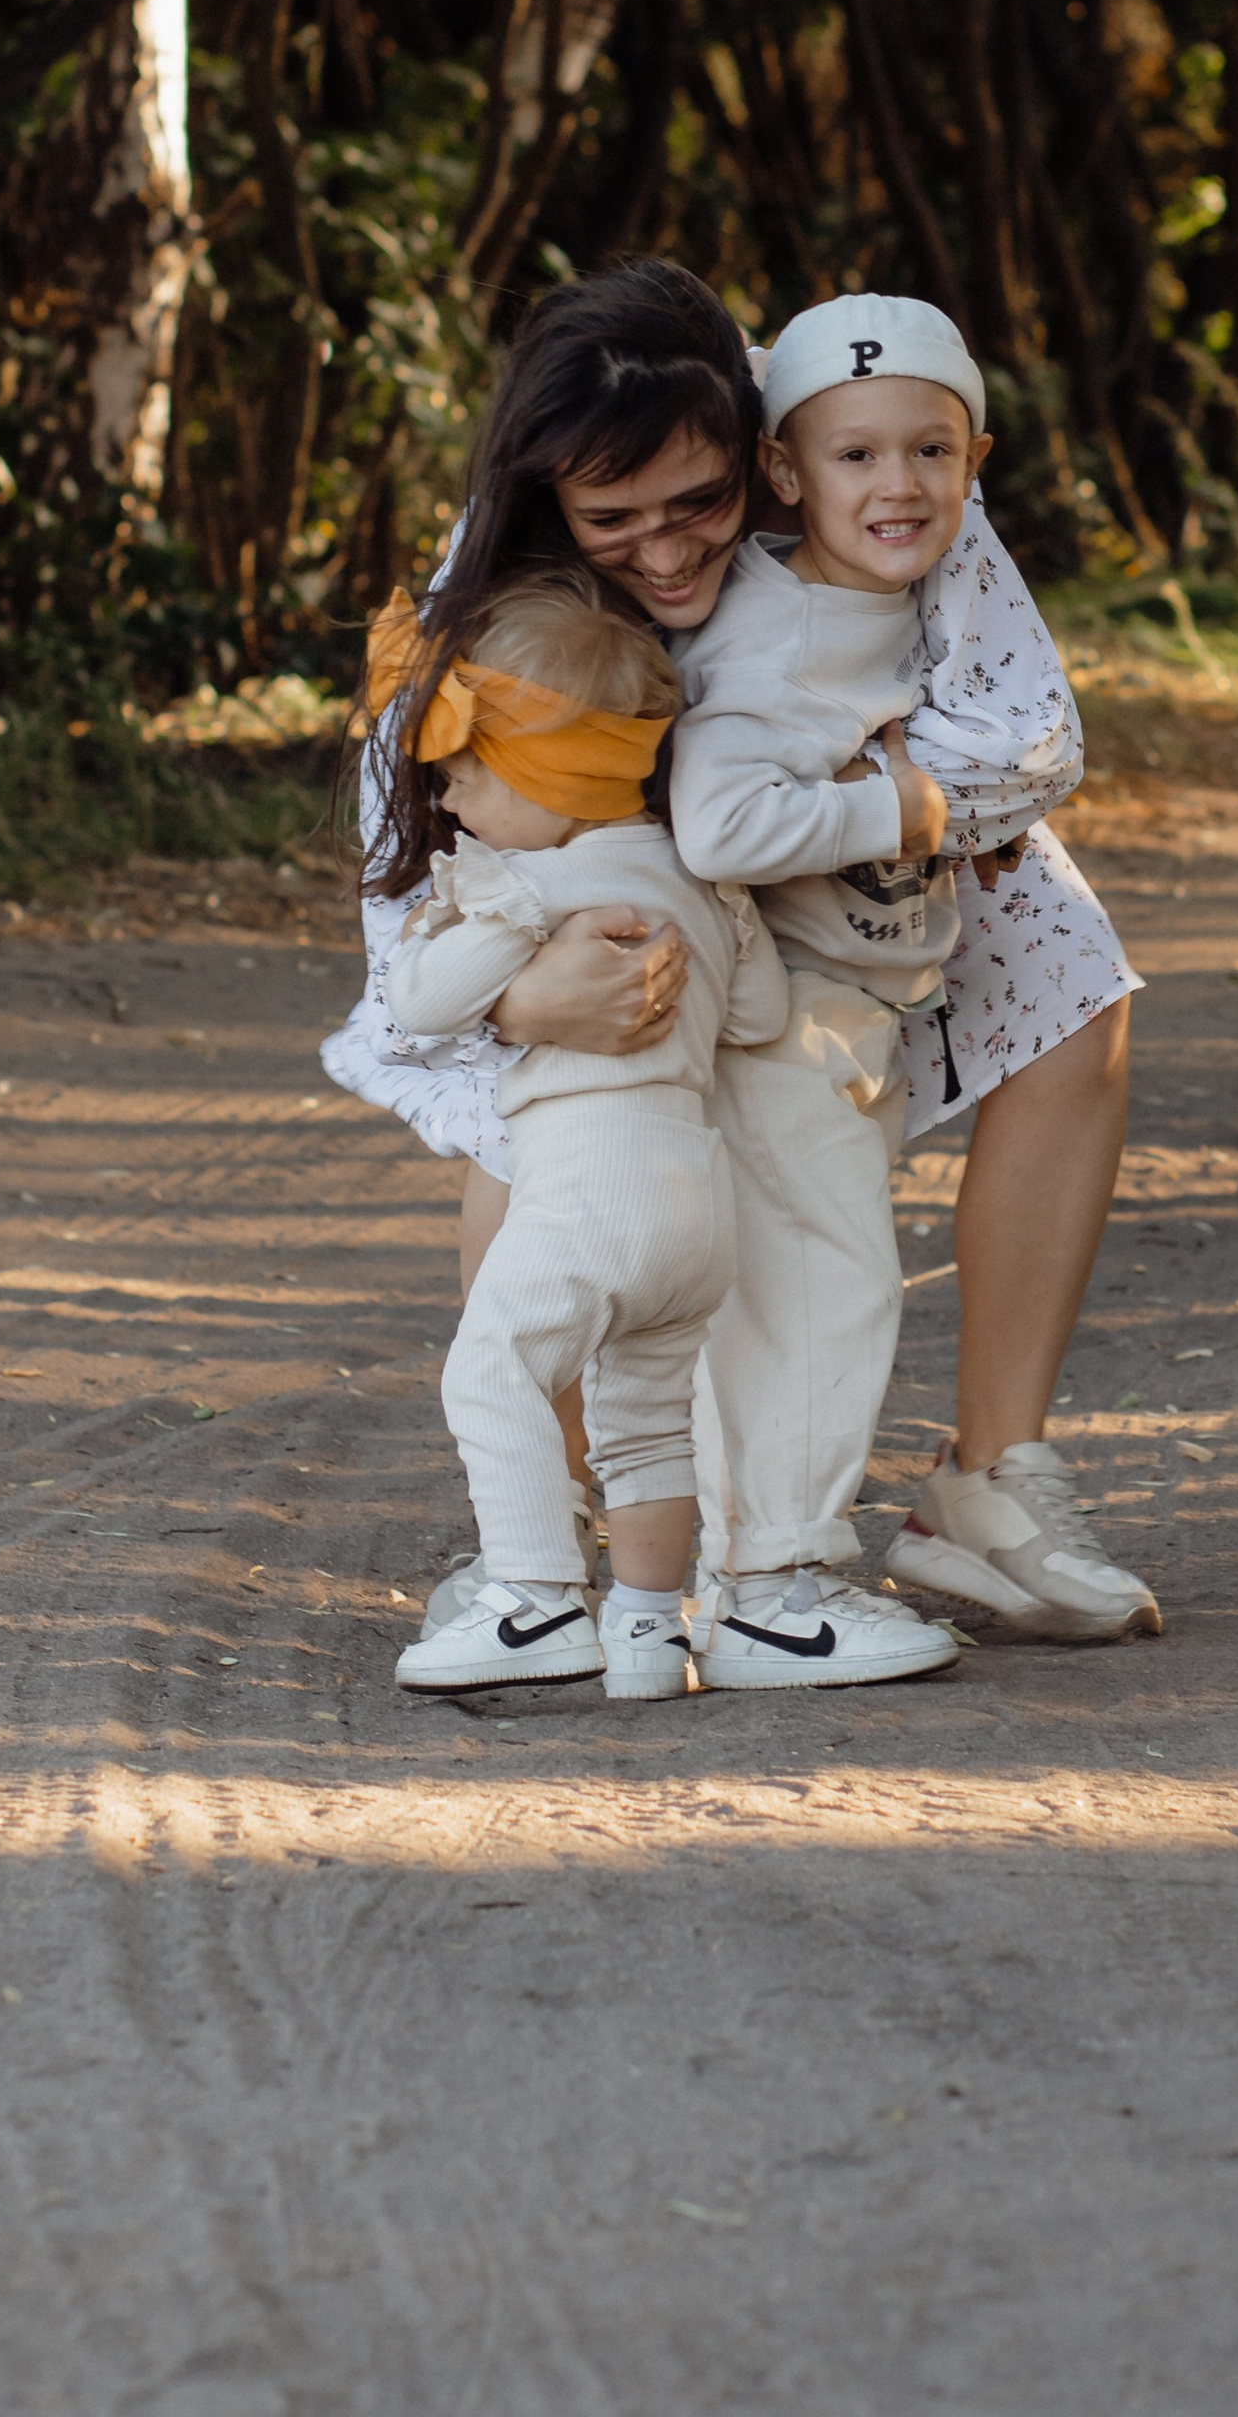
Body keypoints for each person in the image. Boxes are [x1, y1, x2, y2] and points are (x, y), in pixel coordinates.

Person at [321, 257, 1152, 1671]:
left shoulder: (866, 428)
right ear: (549, 503)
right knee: (546, 1109)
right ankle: (544, 1530)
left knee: (1073, 986)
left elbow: (1033, 729)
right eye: (612, 522)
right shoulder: (486, 580)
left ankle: (986, 1485)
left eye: (698, 506)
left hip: (852, 821)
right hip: (600, 849)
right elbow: (412, 852)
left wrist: (881, 797)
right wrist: (522, 988)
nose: (660, 550)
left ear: (760, 458)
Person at [670, 294, 1158, 1665]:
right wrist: (898, 808)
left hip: (855, 967)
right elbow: (716, 811)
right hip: (759, 961)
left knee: (811, 1266)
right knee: (803, 1267)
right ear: (779, 468)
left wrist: (914, 798)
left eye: (931, 455)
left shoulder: (890, 530)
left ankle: (941, 1506)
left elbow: (1035, 737)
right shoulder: (773, 622)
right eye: (859, 457)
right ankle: (722, 1573)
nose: (900, 481)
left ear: (974, 455)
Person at [367, 577, 787, 1703]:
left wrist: (476, 918)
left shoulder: (521, 883)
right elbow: (759, 1019)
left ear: (543, 776)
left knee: (491, 1368)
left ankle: (536, 1600)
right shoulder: (702, 883)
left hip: (587, 1194)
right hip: (694, 1209)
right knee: (644, 1424)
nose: (448, 805)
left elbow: (417, 1003)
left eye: (463, 776)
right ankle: (651, 1632)